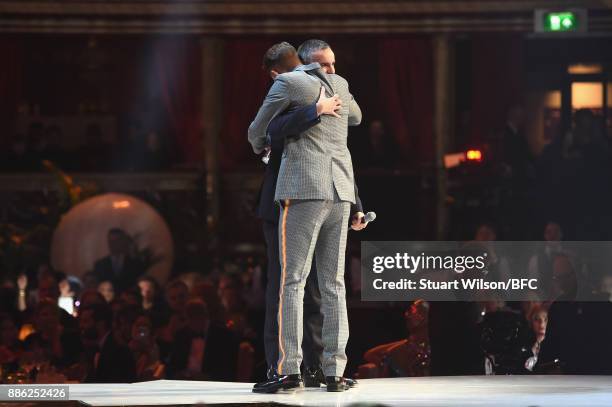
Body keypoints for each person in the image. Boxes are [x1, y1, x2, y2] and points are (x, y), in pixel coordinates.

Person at [249, 39, 362, 393]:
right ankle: (334, 372)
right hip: (339, 190)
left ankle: (289, 370)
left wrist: (259, 145)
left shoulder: (288, 83)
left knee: (292, 282)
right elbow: (355, 117)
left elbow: (257, 131)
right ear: (314, 61)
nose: (331, 69)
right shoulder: (341, 85)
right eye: (327, 63)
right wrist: (318, 108)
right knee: (334, 284)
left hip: (304, 190)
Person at [93, 228, 145, 293]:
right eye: (111, 241)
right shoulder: (100, 264)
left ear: (123, 242)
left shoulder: (135, 263)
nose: (113, 244)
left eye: (116, 241)